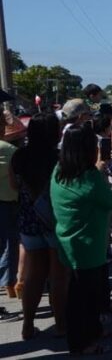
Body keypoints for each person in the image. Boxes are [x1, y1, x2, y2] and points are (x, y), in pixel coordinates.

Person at [51, 122, 112, 355]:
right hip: (87, 246)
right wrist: (100, 170)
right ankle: (80, 342)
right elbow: (110, 201)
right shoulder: (88, 177)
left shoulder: (58, 171)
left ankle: (95, 330)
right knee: (83, 298)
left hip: (72, 242)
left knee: (89, 293)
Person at [10, 112, 67, 340]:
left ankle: (28, 324)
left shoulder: (19, 157)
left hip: (29, 220)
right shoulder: (59, 158)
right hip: (55, 221)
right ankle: (61, 324)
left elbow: (14, 187)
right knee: (58, 275)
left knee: (34, 275)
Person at [0, 105, 19, 301]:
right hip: (7, 202)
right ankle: (8, 283)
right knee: (8, 245)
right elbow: (16, 182)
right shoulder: (10, 151)